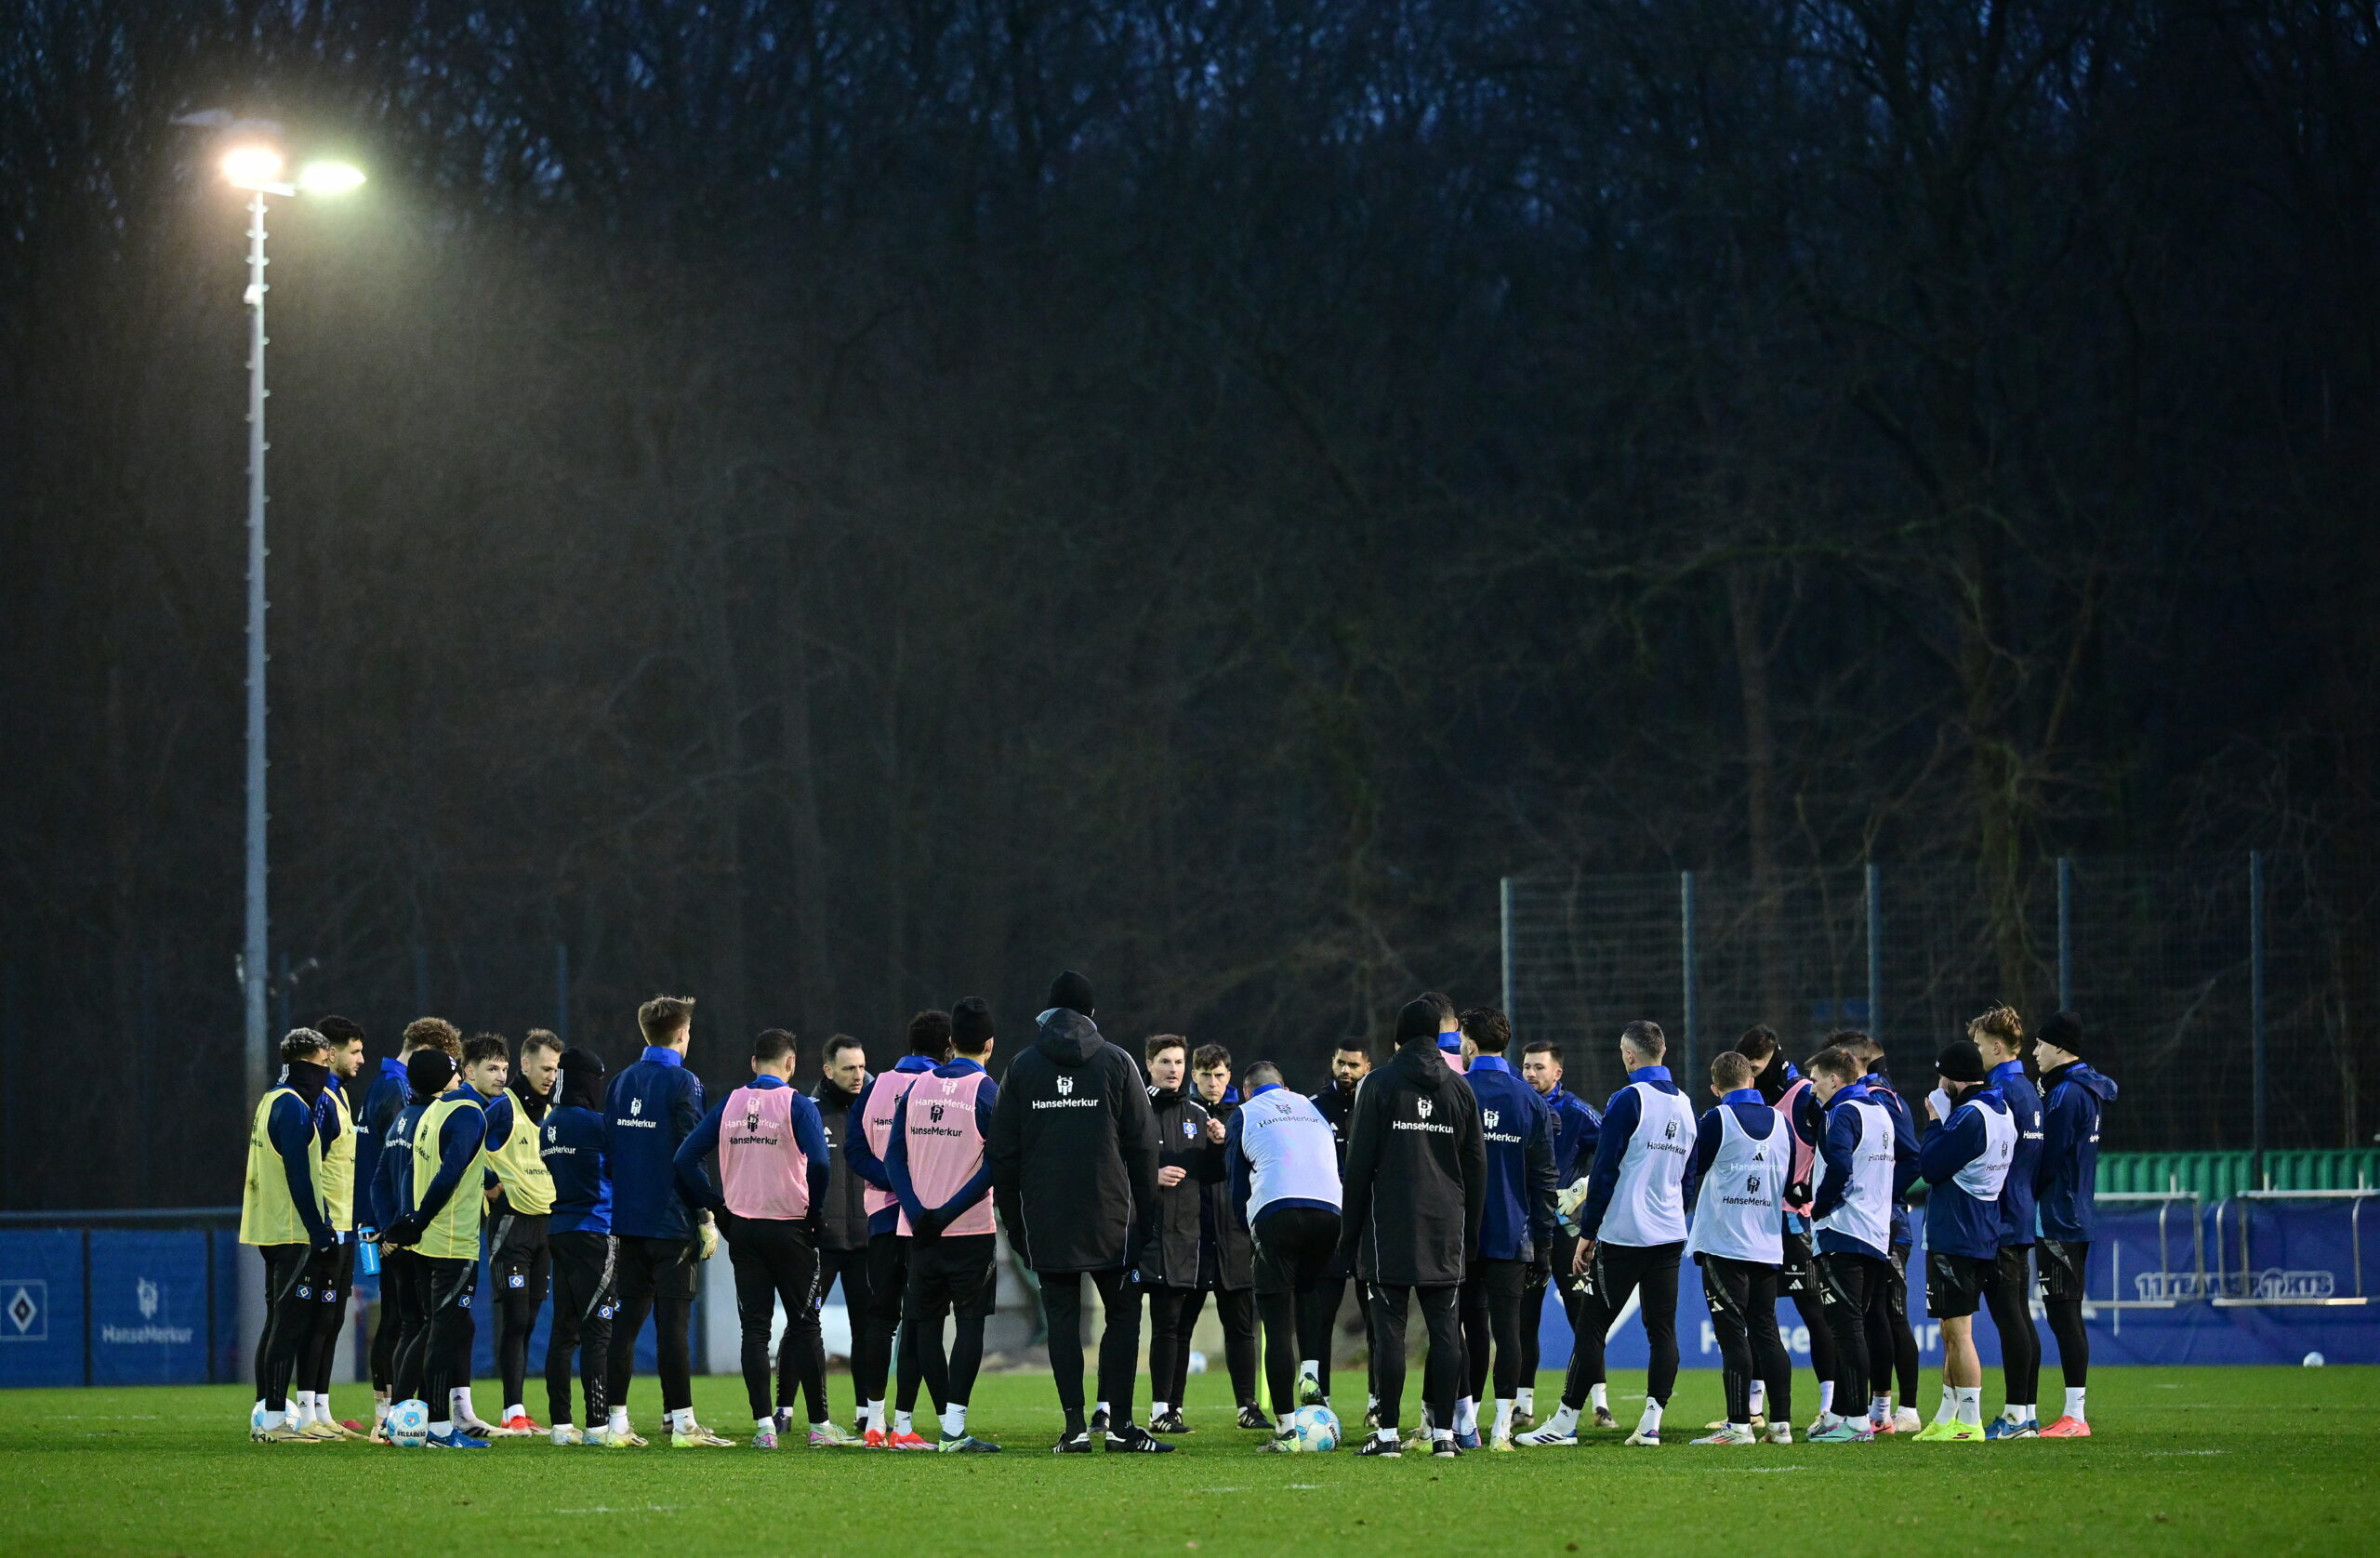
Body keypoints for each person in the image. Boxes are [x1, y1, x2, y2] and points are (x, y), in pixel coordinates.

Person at [986, 970, 1171, 1454]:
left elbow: (1003, 1153)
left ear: (1049, 1013)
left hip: (1047, 1219)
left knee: (1063, 1320)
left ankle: (1073, 1428)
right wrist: (1146, 1217)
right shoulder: (1117, 1062)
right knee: (1124, 1314)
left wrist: (1014, 1223)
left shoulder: (1022, 1067)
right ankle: (1121, 1425)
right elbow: (1142, 1145)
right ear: (1091, 1013)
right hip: (1112, 1217)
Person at [675, 1027, 853, 1448]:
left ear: (754, 1064)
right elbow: (822, 1167)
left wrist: (718, 1208)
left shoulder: (730, 1104)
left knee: (754, 1330)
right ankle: (820, 1427)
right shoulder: (796, 1105)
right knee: (806, 1324)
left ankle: (764, 1429)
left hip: (745, 1230)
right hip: (790, 1226)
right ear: (791, 1064)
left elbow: (684, 1159)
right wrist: (814, 1214)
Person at [1520, 1019, 1693, 1448]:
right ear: (1663, 1051)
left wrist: (1587, 1232)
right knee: (1663, 1330)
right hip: (1670, 1234)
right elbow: (1689, 1175)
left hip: (1626, 1234)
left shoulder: (1627, 1099)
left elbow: (1606, 1171)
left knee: (1592, 1325)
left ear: (1629, 1056)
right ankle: (1650, 1424)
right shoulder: (1686, 1105)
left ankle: (1564, 1423)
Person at [1338, 993, 1486, 1459]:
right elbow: (1476, 1167)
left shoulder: (1379, 1085)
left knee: (1389, 1334)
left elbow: (1358, 1165)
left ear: (1398, 1037)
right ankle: (1445, 1434)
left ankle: (1386, 1437)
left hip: (1390, 1226)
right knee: (1446, 1332)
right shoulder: (1461, 1089)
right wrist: (1472, 1231)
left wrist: (1350, 1234)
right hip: (1446, 1225)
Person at [604, 995, 730, 1447]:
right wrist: (704, 1213)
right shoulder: (683, 1081)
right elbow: (687, 1153)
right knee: (673, 1324)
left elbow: (612, 1154)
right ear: (682, 1034)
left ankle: (616, 1424)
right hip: (671, 1221)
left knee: (627, 1322)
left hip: (628, 1220)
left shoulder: (619, 1082)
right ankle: (682, 1425)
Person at [885, 997, 1004, 1452]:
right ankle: (953, 1428)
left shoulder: (916, 1088)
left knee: (925, 1325)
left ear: (951, 1043)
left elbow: (894, 1156)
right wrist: (949, 1211)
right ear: (989, 1044)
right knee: (970, 1325)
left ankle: (943, 1425)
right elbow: (997, 1164)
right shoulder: (989, 1092)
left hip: (920, 1232)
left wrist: (917, 1211)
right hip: (969, 1230)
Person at [843, 1008, 952, 1448]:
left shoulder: (875, 1087)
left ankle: (872, 1421)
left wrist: (888, 1179)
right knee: (918, 1319)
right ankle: (904, 1427)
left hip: (882, 1217)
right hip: (926, 1219)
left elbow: (854, 1149)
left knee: (880, 1318)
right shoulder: (940, 1088)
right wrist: (913, 1186)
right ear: (947, 1048)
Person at [1225, 1060, 1342, 1450]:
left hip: (1278, 1210)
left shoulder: (1243, 1114)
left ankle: (1287, 1431)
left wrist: (1252, 1233)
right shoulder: (1313, 1108)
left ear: (1246, 1091)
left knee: (1276, 1324)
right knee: (1308, 1288)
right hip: (1330, 1211)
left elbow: (1237, 1188)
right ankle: (1310, 1373)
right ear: (1285, 1087)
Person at [382, 1042, 495, 1449]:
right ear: (450, 1075)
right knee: (445, 1335)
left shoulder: (429, 1114)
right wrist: (419, 1220)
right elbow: (450, 1174)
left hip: (428, 1243)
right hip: (452, 1240)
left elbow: (411, 1172)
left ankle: (401, 1416)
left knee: (429, 1330)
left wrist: (408, 1222)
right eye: (455, 1069)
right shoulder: (466, 1112)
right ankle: (441, 1428)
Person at [1456, 1007, 1556, 1451]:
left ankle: (1464, 1424)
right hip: (1513, 1234)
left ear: (1471, 1044)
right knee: (1509, 1332)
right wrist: (1545, 1243)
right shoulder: (1530, 1100)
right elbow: (1544, 1178)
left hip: (1458, 1235)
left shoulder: (1455, 1091)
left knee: (1463, 1329)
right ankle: (1502, 1430)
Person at [1680, 1051, 1791, 1446]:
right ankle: (1780, 1426)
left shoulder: (1716, 1119)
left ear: (1715, 1088)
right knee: (1766, 1332)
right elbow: (1788, 1176)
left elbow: (1691, 1169)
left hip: (1724, 1242)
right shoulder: (1781, 1122)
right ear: (1751, 1081)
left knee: (1733, 1337)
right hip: (1766, 1242)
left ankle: (1739, 1425)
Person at [1806, 1045, 1913, 1443]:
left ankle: (1854, 1422)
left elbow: (1839, 1166)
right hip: (1874, 1233)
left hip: (1844, 1231)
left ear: (1835, 1079)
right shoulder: (1879, 1112)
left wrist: (1820, 1208)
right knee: (1858, 1326)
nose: (1813, 1088)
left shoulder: (1843, 1112)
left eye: (1817, 1080)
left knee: (1847, 1329)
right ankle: (1844, 1416)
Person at [238, 1028, 339, 1443]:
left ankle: (267, 1415)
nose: (325, 1072)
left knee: (277, 1323)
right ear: (309, 1062)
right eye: (322, 1063)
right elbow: (299, 1175)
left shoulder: (270, 1101)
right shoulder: (295, 1108)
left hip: (269, 1225)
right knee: (289, 1327)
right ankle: (276, 1420)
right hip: (293, 1229)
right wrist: (320, 1230)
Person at [1913, 1037, 2015, 1442]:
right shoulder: (2000, 1108)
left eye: (1942, 1076)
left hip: (1956, 1231)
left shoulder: (1969, 1116)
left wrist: (1936, 1120)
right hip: (1982, 1226)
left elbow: (1931, 1166)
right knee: (1949, 1330)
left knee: (1959, 1332)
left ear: (1953, 1078)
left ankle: (1969, 1421)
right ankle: (1947, 1413)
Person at [1736, 1024, 1835, 1432]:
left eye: (1758, 1066)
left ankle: (1831, 1406)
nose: (1754, 1074)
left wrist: (1810, 1184)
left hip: (1795, 1221)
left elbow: (1833, 1144)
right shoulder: (1754, 1095)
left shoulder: (1803, 1094)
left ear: (1775, 1055)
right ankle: (1755, 1409)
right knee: (1758, 1313)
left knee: (1814, 1312)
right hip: (1759, 1219)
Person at [361, 1017, 452, 1441]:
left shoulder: (384, 1088)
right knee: (406, 1321)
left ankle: (388, 1413)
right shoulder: (407, 1099)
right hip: (399, 1232)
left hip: (380, 1226)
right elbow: (407, 1171)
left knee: (398, 1320)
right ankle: (395, 1417)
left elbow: (378, 1172)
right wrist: (398, 1230)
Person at [2032, 1010, 2116, 1438]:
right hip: (2076, 1211)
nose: (2035, 1052)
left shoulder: (2067, 1095)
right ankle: (2073, 1413)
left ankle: (2076, 1416)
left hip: (2061, 1217)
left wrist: (2022, 1192)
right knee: (2066, 1313)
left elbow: (2050, 1158)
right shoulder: (2087, 1089)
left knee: (2064, 1315)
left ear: (2060, 1047)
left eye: (2041, 1044)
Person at [1836, 1028, 1924, 1433]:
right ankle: (1880, 1410)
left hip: (1887, 1224)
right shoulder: (1864, 1099)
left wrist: (1879, 1195)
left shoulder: (1880, 1100)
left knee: (1891, 1315)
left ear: (1856, 1061)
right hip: (1874, 1222)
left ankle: (1905, 1409)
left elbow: (1911, 1157)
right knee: (1874, 1317)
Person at [1140, 1035, 1222, 1433]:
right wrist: (1150, 1177)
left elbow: (1214, 1175)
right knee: (1126, 1325)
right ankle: (1107, 1407)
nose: (1173, 1069)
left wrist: (1220, 1146)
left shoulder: (1197, 1113)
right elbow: (1111, 1165)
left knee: (1171, 1326)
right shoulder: (1134, 1108)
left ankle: (1164, 1410)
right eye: (1165, 1061)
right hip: (1141, 1236)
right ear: (1149, 1064)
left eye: (1178, 1062)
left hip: (1183, 1236)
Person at [1971, 1005, 2046, 1437]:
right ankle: (2027, 1412)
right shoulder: (2028, 1091)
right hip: (2020, 1214)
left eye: (1981, 1046)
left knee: (2010, 1318)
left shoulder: (1999, 1093)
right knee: (2020, 1315)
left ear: (1997, 1047)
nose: (1978, 1052)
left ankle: (2017, 1415)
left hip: (1998, 1218)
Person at [290, 1015, 365, 1437]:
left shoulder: (339, 1097)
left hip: (346, 1223)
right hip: (326, 1224)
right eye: (354, 1051)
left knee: (332, 1318)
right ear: (331, 1054)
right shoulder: (320, 1099)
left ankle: (320, 1410)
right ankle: (303, 1411)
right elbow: (311, 1164)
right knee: (316, 1318)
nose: (361, 1059)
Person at [483, 1030, 562, 1435]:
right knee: (513, 1318)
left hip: (544, 1226)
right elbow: (462, 1142)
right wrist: (486, 1178)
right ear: (526, 1064)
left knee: (530, 1319)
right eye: (545, 1068)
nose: (551, 1076)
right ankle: (510, 1409)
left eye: (556, 1070)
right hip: (511, 1223)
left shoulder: (551, 1113)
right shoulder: (502, 1108)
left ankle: (519, 1409)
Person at [1517, 1038, 1598, 1427]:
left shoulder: (1579, 1113)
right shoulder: (1516, 1104)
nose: (1531, 1073)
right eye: (1527, 1067)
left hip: (1566, 1230)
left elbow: (1618, 1151)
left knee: (1581, 1316)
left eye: (1538, 1067)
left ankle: (1599, 1403)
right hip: (1526, 1229)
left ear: (1557, 1072)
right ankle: (1522, 1406)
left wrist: (1583, 1186)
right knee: (1523, 1320)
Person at [540, 1047, 616, 1446]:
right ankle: (599, 1427)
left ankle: (560, 1426)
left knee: (563, 1331)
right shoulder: (597, 1125)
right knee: (598, 1331)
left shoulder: (548, 1125)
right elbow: (616, 1170)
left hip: (560, 1229)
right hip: (594, 1230)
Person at [439, 1034, 512, 1438]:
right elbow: (448, 1164)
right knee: (435, 1324)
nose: (501, 1076)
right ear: (467, 1072)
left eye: (504, 1068)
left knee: (457, 1323)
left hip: (455, 1227)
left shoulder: (472, 1109)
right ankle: (413, 1414)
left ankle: (456, 1411)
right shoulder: (465, 1109)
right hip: (444, 1230)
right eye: (491, 1068)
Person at [1188, 1042, 1262, 1428]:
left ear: (1229, 1076)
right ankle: (1168, 1408)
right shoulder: (1180, 1114)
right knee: (1180, 1324)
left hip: (1234, 1234)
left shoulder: (1244, 1117)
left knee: (1240, 1327)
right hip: (1193, 1234)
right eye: (1205, 1075)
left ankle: (1247, 1406)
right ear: (1193, 1077)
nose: (1212, 1083)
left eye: (1218, 1075)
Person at [1306, 1037, 1373, 1419]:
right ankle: (1320, 1403)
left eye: (1353, 1065)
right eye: (1340, 1064)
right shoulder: (1314, 1109)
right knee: (1320, 1318)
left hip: (1367, 1226)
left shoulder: (1377, 1104)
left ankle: (1377, 1404)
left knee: (1377, 1320)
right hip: (1329, 1224)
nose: (1346, 1071)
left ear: (1368, 1067)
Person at [811, 1033, 874, 1436]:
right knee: (803, 1326)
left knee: (867, 1328)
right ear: (828, 1070)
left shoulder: (875, 1109)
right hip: (821, 1240)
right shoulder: (808, 1112)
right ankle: (786, 1406)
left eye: (862, 1067)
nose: (858, 1075)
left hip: (866, 1240)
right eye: (849, 1068)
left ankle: (867, 1409)